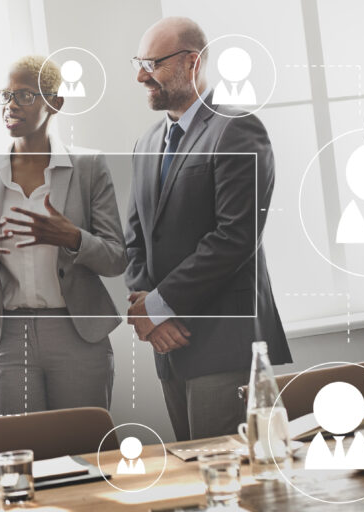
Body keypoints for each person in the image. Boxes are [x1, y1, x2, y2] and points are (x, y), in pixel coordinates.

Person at [125, 17, 291, 441]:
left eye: (152, 63)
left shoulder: (237, 129)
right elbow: (136, 240)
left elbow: (234, 239)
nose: (141, 75)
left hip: (224, 346)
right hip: (170, 349)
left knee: (234, 486)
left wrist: (158, 307)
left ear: (192, 63)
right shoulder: (145, 143)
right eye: (139, 63)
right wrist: (151, 317)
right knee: (192, 484)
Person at [0, 56, 126, 415]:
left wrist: (72, 237)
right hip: (8, 337)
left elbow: (116, 258)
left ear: (55, 103)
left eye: (25, 96)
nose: (11, 105)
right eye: (6, 95)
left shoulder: (88, 167)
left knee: (84, 453)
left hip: (75, 332)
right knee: (19, 455)